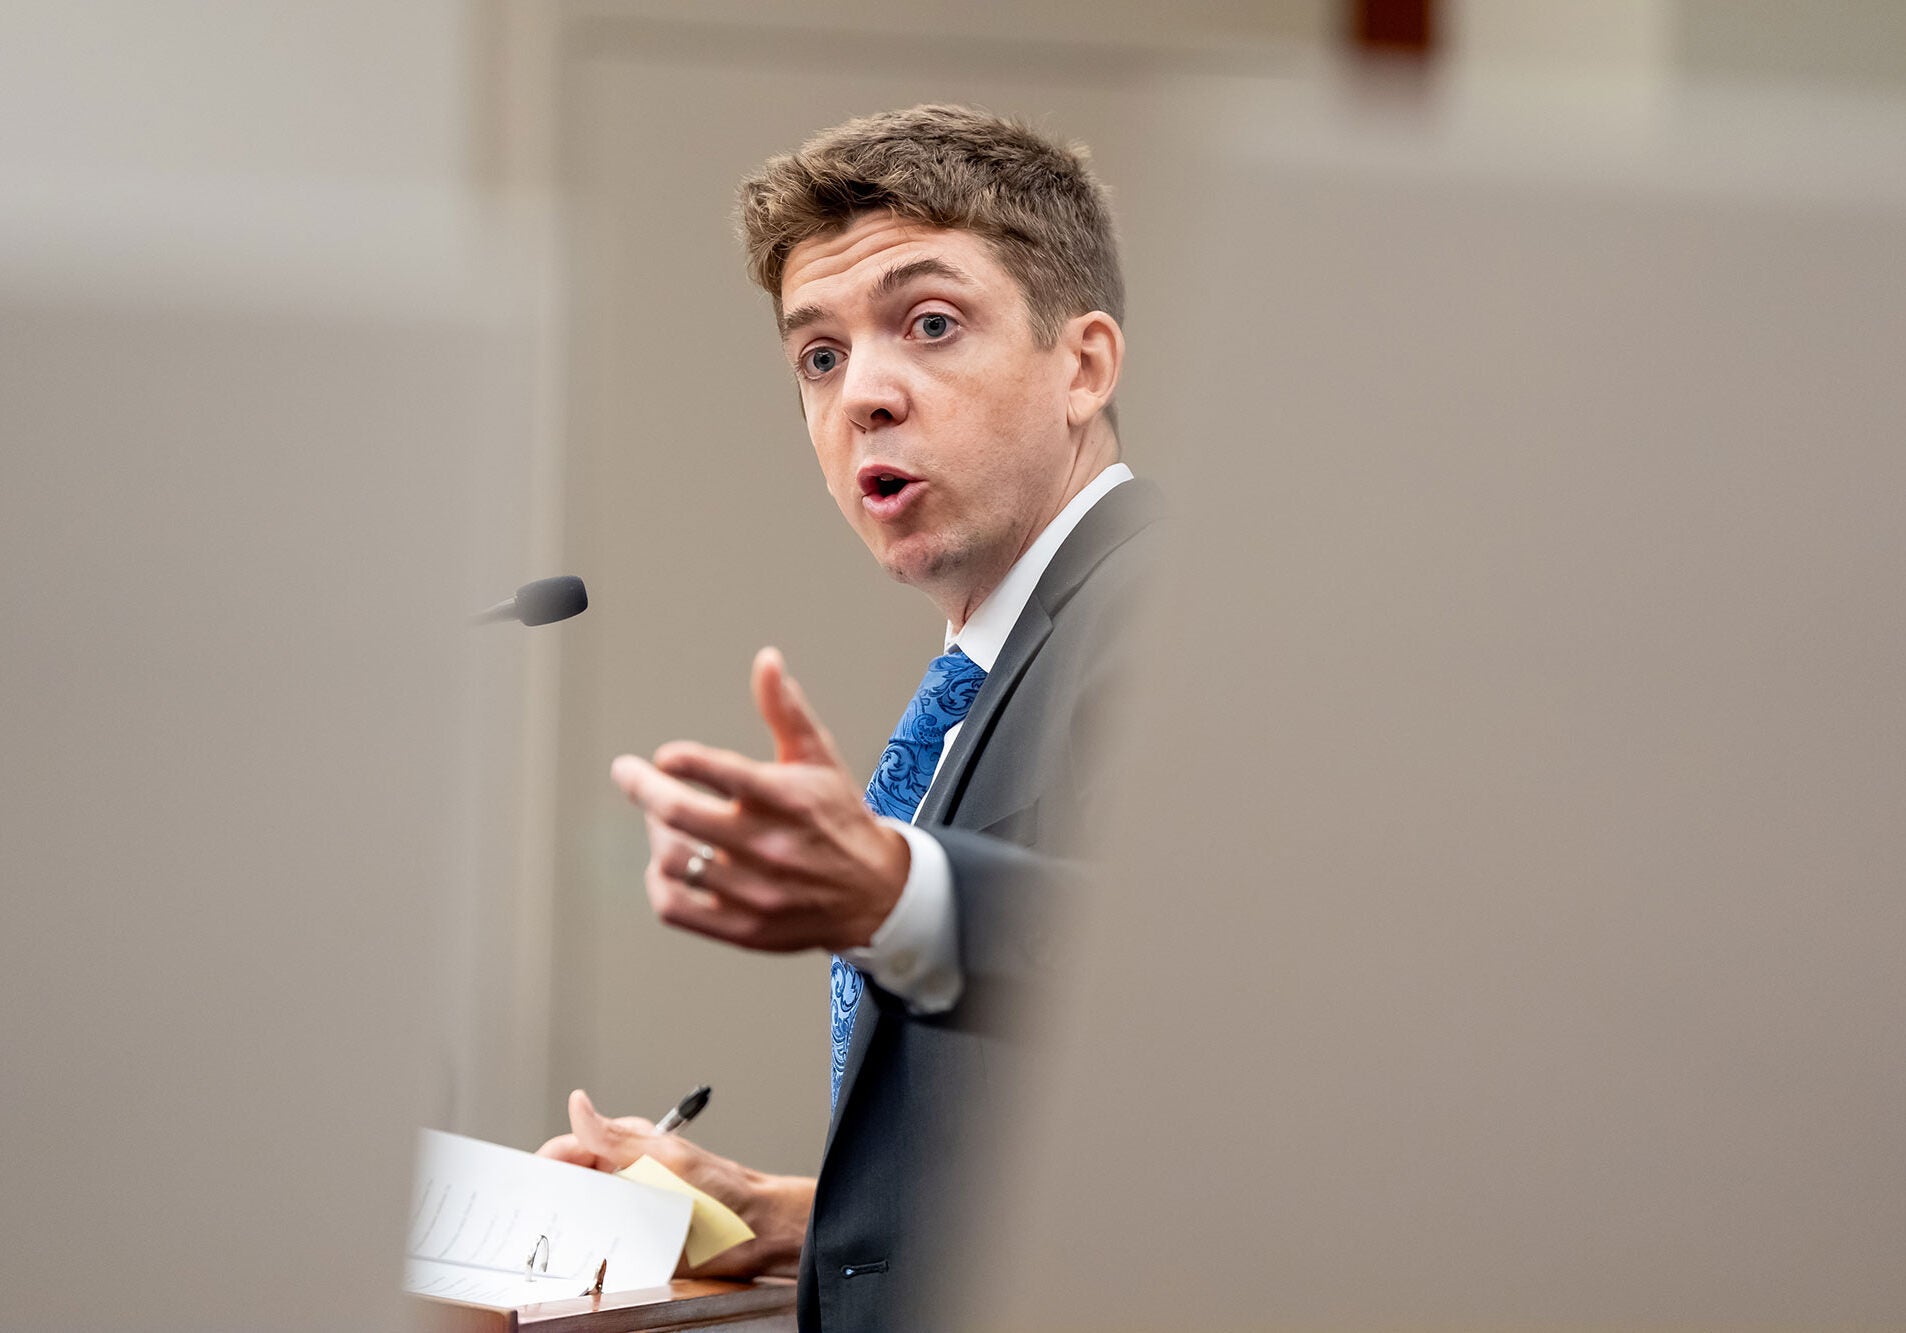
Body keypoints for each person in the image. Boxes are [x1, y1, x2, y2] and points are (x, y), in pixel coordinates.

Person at [538, 104, 1162, 1330]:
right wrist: (781, 1213)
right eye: (818, 356)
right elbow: (1043, 1140)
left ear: (1083, 366)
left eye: (929, 324)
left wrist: (896, 893)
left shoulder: (1170, 604)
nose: (863, 394)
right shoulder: (999, 659)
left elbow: (1195, 986)